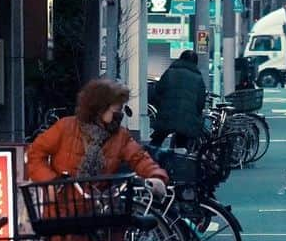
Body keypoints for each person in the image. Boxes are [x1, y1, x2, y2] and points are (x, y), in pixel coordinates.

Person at [27, 78, 168, 192]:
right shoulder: (66, 127)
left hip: (97, 209)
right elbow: (35, 153)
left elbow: (139, 158)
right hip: (61, 207)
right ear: (100, 108)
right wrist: (50, 182)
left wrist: (156, 176)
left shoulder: (120, 136)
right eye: (116, 108)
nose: (120, 113)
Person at [150, 50, 206, 148]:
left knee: (157, 140)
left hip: (167, 113)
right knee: (182, 144)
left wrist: (162, 106)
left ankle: (151, 159)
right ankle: (176, 161)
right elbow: (200, 102)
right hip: (186, 118)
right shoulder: (198, 78)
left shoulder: (170, 72)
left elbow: (158, 91)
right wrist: (197, 114)